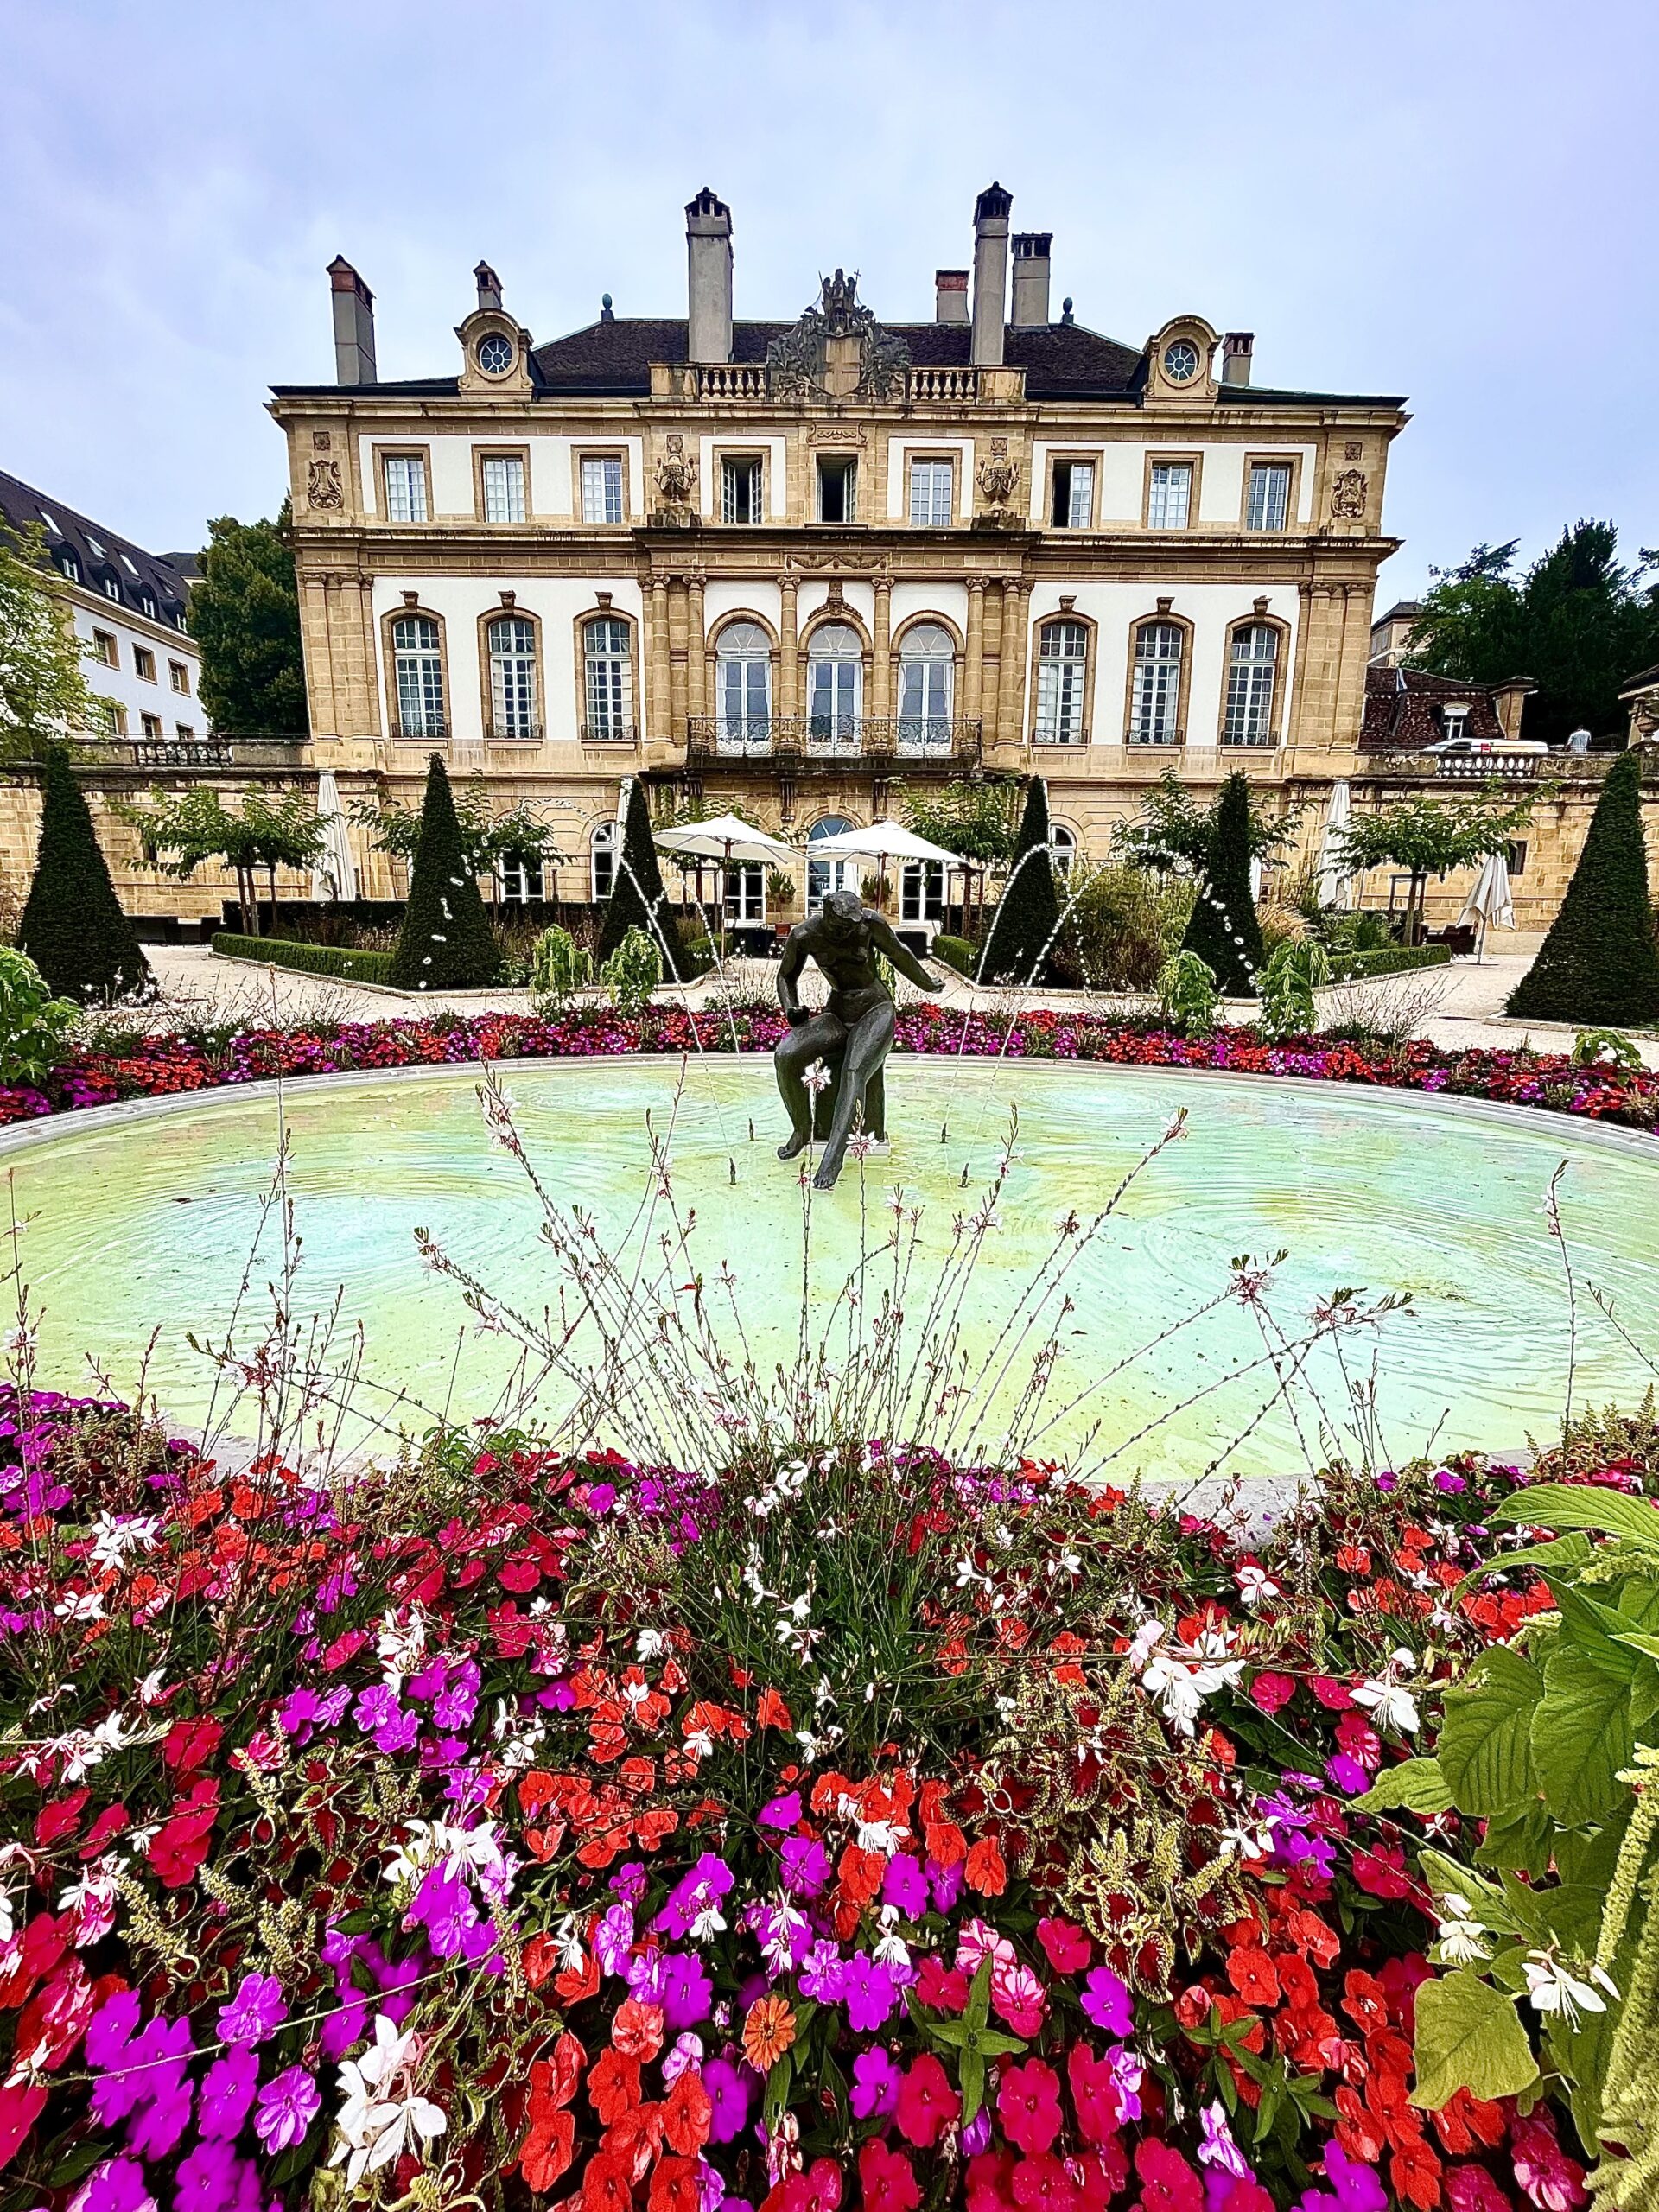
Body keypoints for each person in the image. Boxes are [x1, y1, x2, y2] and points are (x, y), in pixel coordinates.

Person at [773, 887, 943, 1189]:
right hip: (838, 1012)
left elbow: (899, 954)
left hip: (875, 1010)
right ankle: (802, 1128)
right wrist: (791, 1009)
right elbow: (786, 976)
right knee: (786, 1055)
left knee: (854, 1071)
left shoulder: (870, 924)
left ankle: (833, 1157)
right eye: (842, 927)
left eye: (853, 925)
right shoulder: (804, 936)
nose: (850, 931)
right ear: (826, 917)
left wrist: (927, 983)